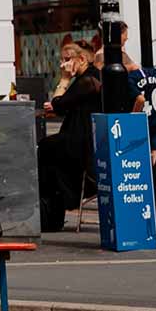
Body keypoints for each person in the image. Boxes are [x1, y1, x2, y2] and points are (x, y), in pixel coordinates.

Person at [39, 40, 99, 232]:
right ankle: (54, 209)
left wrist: (64, 79)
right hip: (82, 140)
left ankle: (53, 212)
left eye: (67, 60)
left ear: (81, 59)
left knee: (45, 150)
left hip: (81, 144)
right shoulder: (90, 78)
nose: (62, 65)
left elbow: (57, 104)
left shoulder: (87, 81)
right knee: (48, 152)